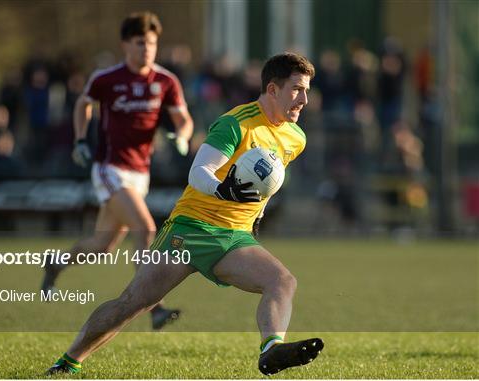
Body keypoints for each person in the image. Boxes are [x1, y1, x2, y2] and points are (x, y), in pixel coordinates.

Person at [47, 53, 323, 376]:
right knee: (133, 304)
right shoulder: (236, 123)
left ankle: (271, 348)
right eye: (296, 89)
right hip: (190, 230)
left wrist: (257, 216)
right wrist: (223, 189)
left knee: (282, 281)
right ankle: (68, 361)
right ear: (273, 89)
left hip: (233, 237)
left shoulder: (295, 137)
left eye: (306, 90)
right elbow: (199, 172)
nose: (304, 99)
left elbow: (265, 183)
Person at [41, 11, 193, 330]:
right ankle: (155, 307)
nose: (147, 49)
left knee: (101, 246)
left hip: (140, 174)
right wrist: (81, 139)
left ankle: (56, 263)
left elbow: (184, 119)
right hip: (110, 169)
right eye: (140, 43)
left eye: (152, 43)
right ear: (125, 44)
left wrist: (182, 136)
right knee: (146, 227)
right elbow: (83, 104)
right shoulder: (107, 78)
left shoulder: (165, 81)